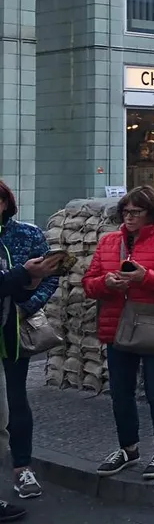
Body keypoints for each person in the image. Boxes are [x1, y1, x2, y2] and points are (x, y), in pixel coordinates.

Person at [83, 186, 154, 481]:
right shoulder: (108, 242)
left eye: (136, 212)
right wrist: (107, 283)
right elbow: (89, 283)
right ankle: (127, 447)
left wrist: (147, 277)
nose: (129, 217)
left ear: (151, 213)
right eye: (126, 212)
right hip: (117, 323)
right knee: (120, 392)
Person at [0, 180, 61, 500]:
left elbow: (52, 274)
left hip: (13, 330)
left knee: (15, 401)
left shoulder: (27, 234)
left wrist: (29, 304)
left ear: (5, 204)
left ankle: (22, 468)